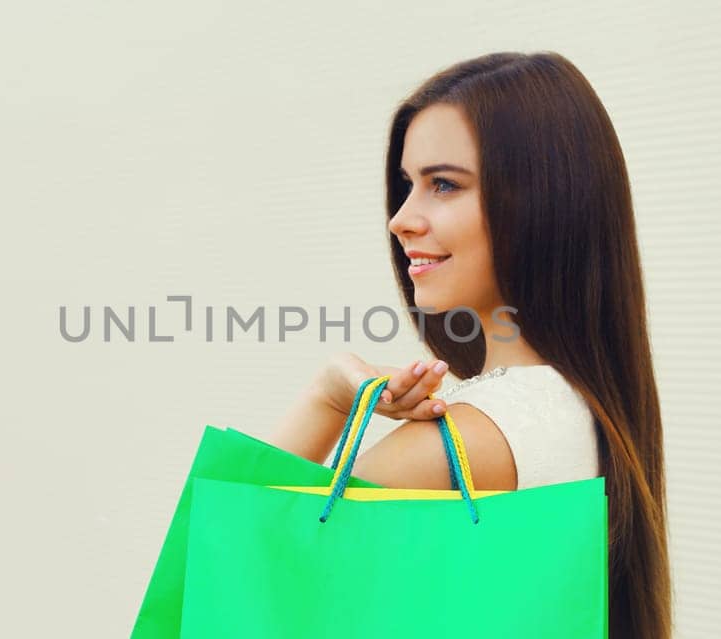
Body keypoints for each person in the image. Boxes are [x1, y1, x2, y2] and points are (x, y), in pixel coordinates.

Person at [265, 51, 672, 639]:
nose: (401, 219)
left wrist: (327, 397)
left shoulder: (464, 442)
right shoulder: (583, 410)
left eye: (444, 185)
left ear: (542, 202)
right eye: (408, 186)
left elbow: (213, 576)